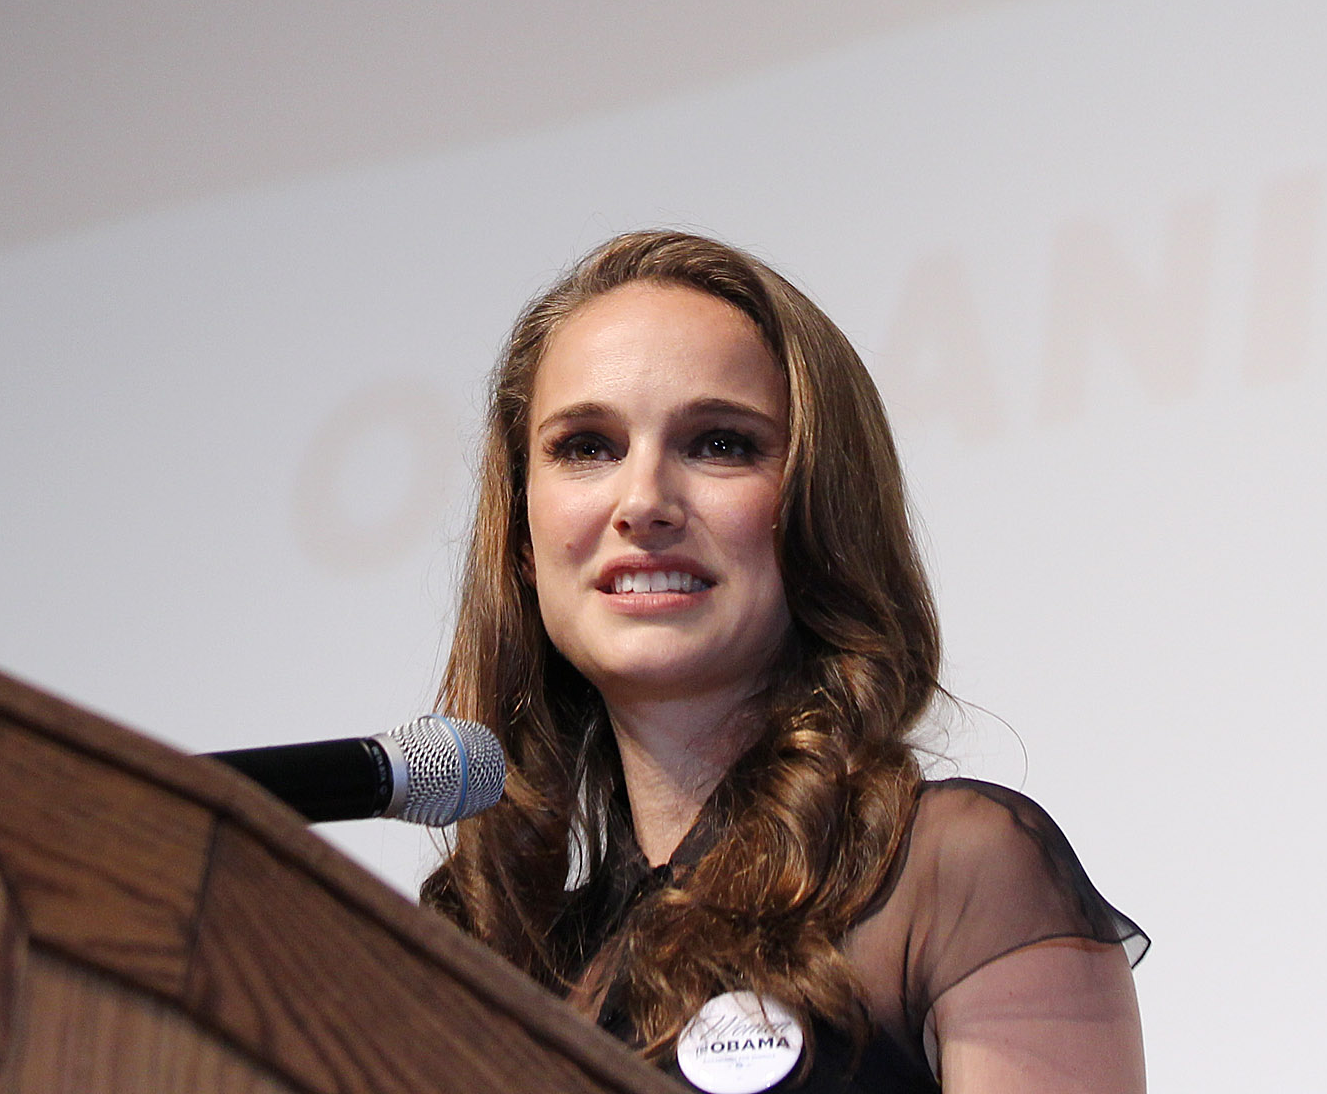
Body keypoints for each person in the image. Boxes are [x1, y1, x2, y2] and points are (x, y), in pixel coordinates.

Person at [422, 231, 1147, 1093]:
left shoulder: (951, 876)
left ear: (817, 510)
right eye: (587, 447)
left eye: (720, 443)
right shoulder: (485, 948)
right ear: (523, 538)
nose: (643, 501)